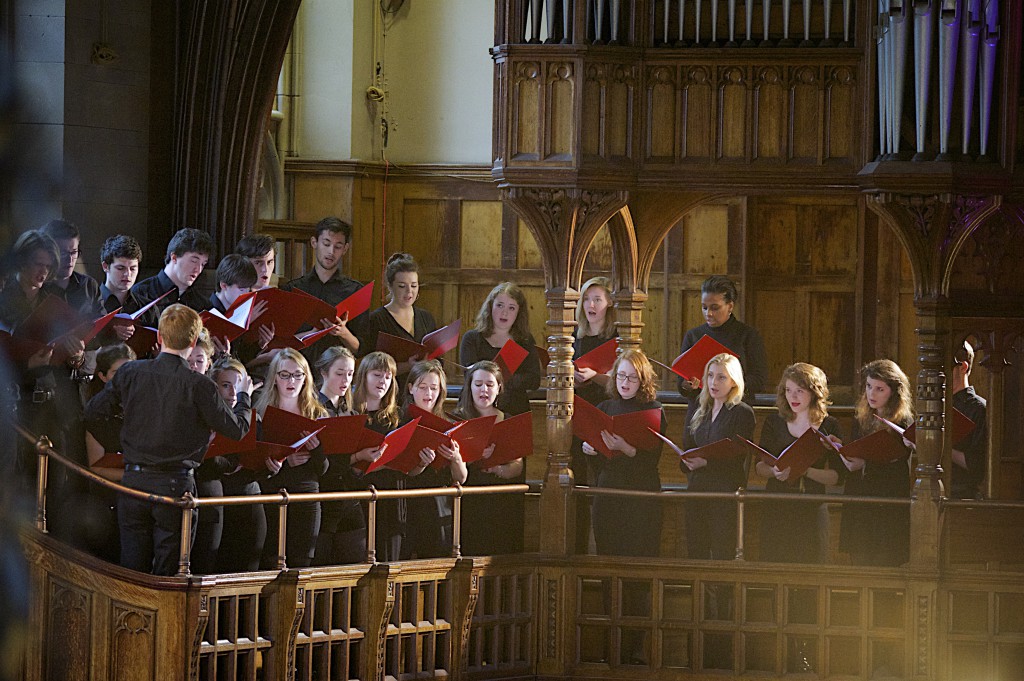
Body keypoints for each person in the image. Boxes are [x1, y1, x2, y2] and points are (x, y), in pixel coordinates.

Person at [84, 303, 254, 575]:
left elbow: (92, 412)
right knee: (170, 571)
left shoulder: (131, 372)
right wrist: (244, 396)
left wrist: (131, 432)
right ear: (192, 340)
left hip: (133, 481)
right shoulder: (200, 385)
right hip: (175, 487)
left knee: (132, 569)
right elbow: (237, 430)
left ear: (160, 337)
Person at [581, 349, 666, 557]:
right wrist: (590, 449)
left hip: (639, 491)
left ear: (643, 380)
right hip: (609, 489)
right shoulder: (604, 407)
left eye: (632, 377)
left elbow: (653, 459)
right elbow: (598, 461)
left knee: (638, 552)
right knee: (607, 550)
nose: (624, 382)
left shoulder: (653, 409)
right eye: (620, 375)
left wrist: (626, 448)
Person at [755, 363, 843, 563]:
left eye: (799, 391)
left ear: (814, 393)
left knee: (810, 569)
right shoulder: (774, 422)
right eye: (788, 390)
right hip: (777, 505)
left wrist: (805, 470)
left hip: (811, 507)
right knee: (774, 564)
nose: (792, 397)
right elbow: (759, 467)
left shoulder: (829, 425)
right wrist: (774, 471)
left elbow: (837, 477)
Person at [255, 348, 328, 569]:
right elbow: (255, 467)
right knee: (270, 562)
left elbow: (324, 469)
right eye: (284, 374)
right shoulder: (261, 412)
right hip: (273, 494)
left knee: (301, 564)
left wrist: (316, 451)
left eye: (298, 375)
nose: (292, 381)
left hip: (306, 496)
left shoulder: (317, 414)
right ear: (274, 378)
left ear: (306, 378)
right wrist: (284, 463)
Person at [839, 359, 914, 567]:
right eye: (869, 387)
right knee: (859, 562)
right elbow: (858, 449)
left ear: (893, 392)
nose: (872, 394)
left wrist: (866, 464)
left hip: (887, 503)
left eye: (880, 389)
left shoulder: (903, 422)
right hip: (860, 500)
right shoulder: (862, 418)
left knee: (885, 564)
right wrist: (842, 450)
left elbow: (896, 463)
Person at [680, 352, 755, 560]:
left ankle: (723, 594)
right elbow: (688, 445)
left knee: (723, 552)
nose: (714, 382)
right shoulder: (699, 406)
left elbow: (737, 454)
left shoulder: (742, 412)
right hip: (697, 488)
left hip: (724, 490)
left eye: (721, 377)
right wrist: (688, 461)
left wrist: (706, 462)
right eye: (710, 375)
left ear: (733, 381)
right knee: (696, 551)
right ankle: (699, 594)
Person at [453, 360, 525, 556]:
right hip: (469, 499)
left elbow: (518, 465)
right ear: (469, 387)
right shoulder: (457, 420)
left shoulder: (508, 419)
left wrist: (498, 469)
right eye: (478, 384)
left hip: (499, 499)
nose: (483, 389)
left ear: (499, 388)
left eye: (490, 384)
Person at [401, 360, 467, 559]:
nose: (428, 394)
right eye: (423, 387)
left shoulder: (448, 424)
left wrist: (455, 458)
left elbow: (462, 478)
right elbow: (404, 471)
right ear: (411, 388)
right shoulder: (400, 420)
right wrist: (421, 463)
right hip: (408, 502)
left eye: (434, 388)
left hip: (439, 504)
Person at [571, 276, 616, 553]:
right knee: (575, 479)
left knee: (602, 480)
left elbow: (623, 380)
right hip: (576, 410)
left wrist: (596, 377)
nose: (591, 304)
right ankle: (575, 547)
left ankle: (604, 546)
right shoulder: (574, 335)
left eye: (597, 299)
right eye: (587, 299)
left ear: (609, 303)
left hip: (605, 410)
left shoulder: (618, 337)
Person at [211, 357, 268, 573]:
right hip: (218, 501)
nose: (233, 394)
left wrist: (271, 467)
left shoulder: (255, 419)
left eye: (238, 387)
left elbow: (260, 465)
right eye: (226, 386)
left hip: (249, 499)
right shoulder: (208, 417)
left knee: (249, 571)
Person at [81, 343, 136, 563]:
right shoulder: (97, 415)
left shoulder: (145, 408)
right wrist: (132, 476)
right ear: (103, 376)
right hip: (110, 498)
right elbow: (95, 467)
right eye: (117, 373)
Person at [312, 346, 367, 565]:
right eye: (339, 373)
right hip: (323, 497)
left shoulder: (350, 412)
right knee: (321, 565)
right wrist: (354, 458)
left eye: (350, 374)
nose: (346, 380)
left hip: (348, 496)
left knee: (356, 564)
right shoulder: (313, 409)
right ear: (324, 373)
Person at [281, 217, 363, 359]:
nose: (331, 251)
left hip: (339, 372)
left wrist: (343, 332)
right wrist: (312, 333)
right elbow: (281, 343)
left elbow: (361, 349)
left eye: (338, 246)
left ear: (345, 249)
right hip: (298, 371)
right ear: (314, 242)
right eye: (326, 244)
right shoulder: (292, 289)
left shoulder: (355, 291)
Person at [677, 275, 768, 403]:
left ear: (730, 306)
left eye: (715, 308)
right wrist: (686, 385)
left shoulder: (748, 335)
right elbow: (681, 384)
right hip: (700, 412)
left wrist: (728, 383)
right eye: (704, 307)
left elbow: (759, 380)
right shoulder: (693, 335)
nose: (708, 313)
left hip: (735, 409)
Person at [351, 351, 404, 561]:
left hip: (389, 495)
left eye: (388, 376)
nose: (383, 381)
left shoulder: (396, 418)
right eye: (377, 375)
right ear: (363, 376)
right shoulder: (351, 413)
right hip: (358, 494)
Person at [459, 282, 540, 416]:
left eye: (511, 308)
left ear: (519, 312)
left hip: (514, 409)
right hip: (475, 409)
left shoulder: (525, 341)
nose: (504, 312)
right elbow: (469, 375)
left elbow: (534, 380)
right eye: (499, 305)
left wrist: (499, 379)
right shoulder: (472, 338)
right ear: (490, 307)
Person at [359, 253, 437, 383]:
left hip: (421, 389)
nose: (409, 292)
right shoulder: (376, 319)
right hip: (389, 391)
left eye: (414, 285)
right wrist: (408, 366)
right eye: (402, 286)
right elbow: (370, 366)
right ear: (390, 286)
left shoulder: (426, 317)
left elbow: (437, 357)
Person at [129, 228, 215, 315]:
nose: (199, 269)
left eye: (203, 264)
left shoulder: (204, 306)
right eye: (194, 261)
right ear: (174, 257)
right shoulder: (140, 293)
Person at [97, 235, 156, 344]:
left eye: (133, 268)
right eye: (120, 268)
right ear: (105, 266)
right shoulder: (91, 304)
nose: (127, 274)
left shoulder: (147, 308)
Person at [39, 219, 100, 316]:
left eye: (74, 252)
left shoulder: (88, 285)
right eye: (63, 253)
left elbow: (103, 321)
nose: (70, 259)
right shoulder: (37, 288)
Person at [950, 340, 987, 500]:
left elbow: (977, 465)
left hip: (962, 495)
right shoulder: (934, 404)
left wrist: (940, 448)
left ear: (963, 367)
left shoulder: (979, 408)